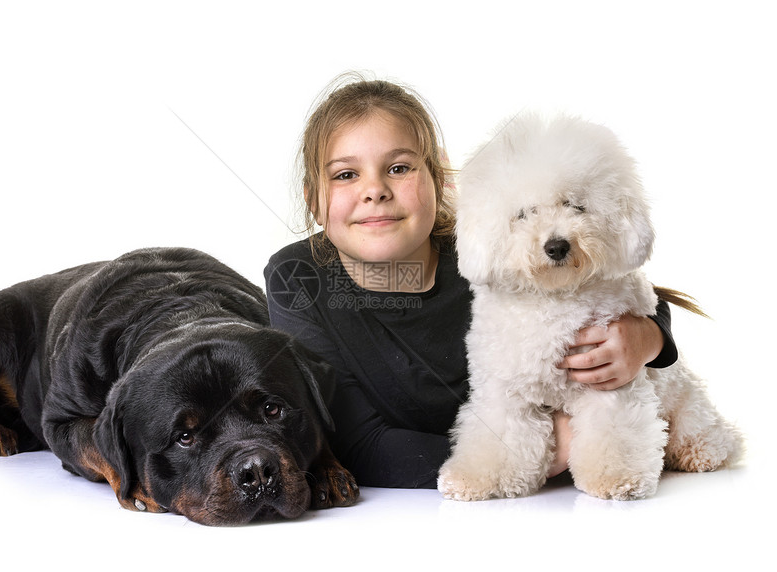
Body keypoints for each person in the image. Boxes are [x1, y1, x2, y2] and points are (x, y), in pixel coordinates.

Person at [264, 74, 677, 489]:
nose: (375, 190)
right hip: (470, 484)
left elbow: (616, 289)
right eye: (345, 175)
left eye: (399, 167)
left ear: (441, 179)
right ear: (313, 201)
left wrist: (648, 337)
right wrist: (542, 451)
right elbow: (353, 442)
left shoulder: (497, 253)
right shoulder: (297, 279)